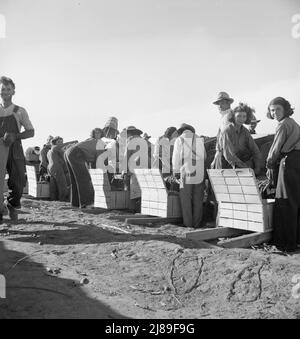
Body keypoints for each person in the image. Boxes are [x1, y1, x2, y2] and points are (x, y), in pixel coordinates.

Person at [266, 97, 300, 252]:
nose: (274, 113)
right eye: (272, 110)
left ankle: (286, 243)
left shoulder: (283, 124)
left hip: (289, 162)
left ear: (285, 109)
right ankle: (296, 239)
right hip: (297, 161)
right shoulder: (293, 123)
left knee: (285, 202)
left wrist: (269, 165)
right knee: (296, 202)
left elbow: (276, 148)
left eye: (278, 109)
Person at [0, 76, 34, 222]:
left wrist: (15, 135)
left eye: (8, 89)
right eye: (2, 89)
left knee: (19, 181)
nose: (5, 91)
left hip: (15, 149)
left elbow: (31, 131)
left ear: (13, 91)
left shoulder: (19, 111)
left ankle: (11, 204)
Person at [212, 103, 262, 174]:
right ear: (233, 116)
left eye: (244, 116)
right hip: (226, 165)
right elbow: (229, 155)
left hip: (240, 164)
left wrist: (257, 167)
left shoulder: (245, 131)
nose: (241, 119)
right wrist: (246, 168)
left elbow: (255, 149)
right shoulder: (227, 131)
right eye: (239, 116)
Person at [172, 123, 206, 228]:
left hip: (186, 169)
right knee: (198, 198)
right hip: (199, 169)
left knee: (185, 198)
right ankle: (197, 223)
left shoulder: (179, 139)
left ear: (181, 131)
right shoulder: (199, 138)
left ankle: (188, 224)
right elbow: (204, 156)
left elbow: (176, 157)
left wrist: (176, 171)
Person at [64, 128, 104, 208]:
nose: (97, 134)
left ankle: (75, 203)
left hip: (69, 152)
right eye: (96, 132)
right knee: (84, 179)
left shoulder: (90, 140)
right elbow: (98, 161)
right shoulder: (100, 143)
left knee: (75, 180)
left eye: (99, 133)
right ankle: (87, 203)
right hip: (76, 153)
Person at [47, 136, 70, 202]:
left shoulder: (50, 150)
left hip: (51, 169)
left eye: (62, 142)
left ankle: (54, 199)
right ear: (54, 142)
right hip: (57, 168)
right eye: (59, 142)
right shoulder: (55, 147)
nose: (61, 143)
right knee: (62, 185)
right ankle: (63, 199)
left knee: (54, 185)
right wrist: (75, 142)